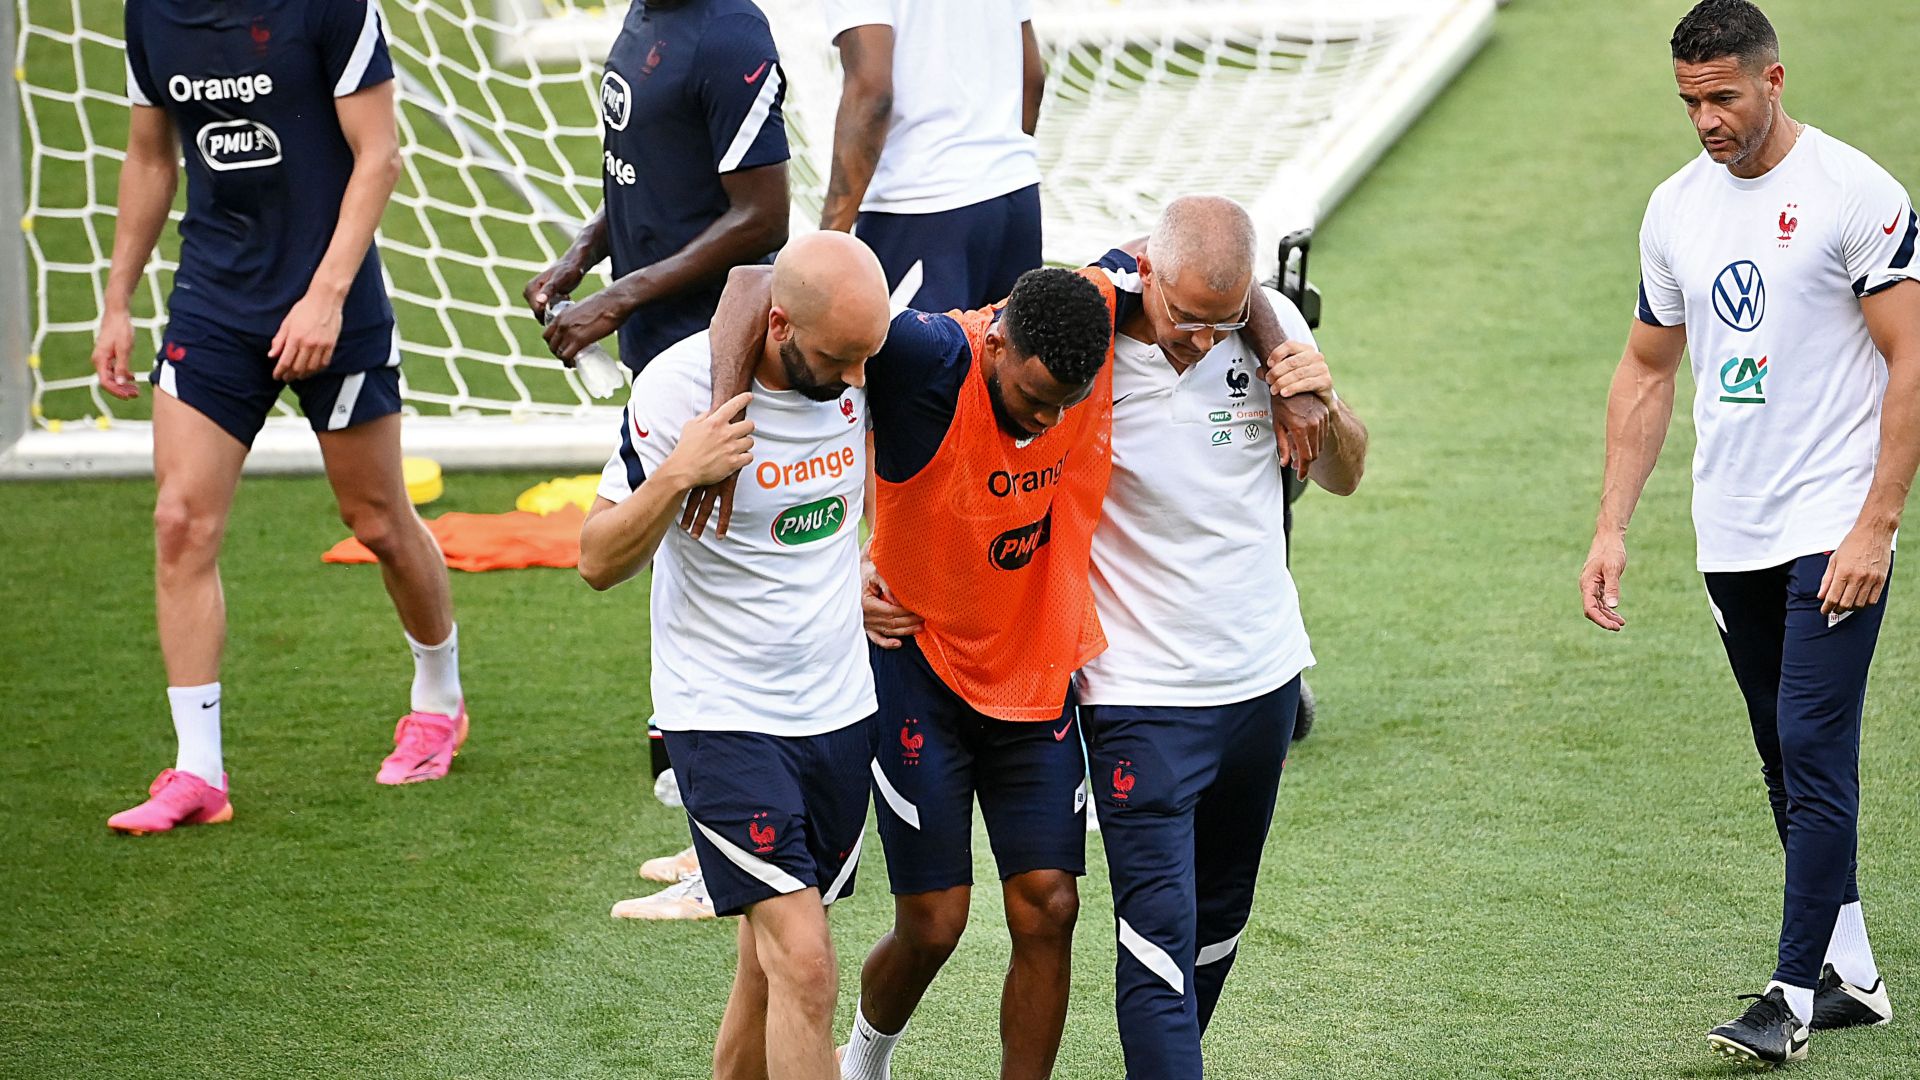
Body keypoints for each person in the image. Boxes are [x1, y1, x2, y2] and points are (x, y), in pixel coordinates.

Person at [1578, 0, 1918, 1065]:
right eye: (1689, 101)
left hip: (1833, 521)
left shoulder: (1856, 194)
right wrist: (1610, 527)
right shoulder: (1675, 208)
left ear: (1775, 80)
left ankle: (1789, 996)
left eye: (1723, 97)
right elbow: (1646, 368)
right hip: (1731, 528)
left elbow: (1913, 356)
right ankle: (1853, 974)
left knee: (1816, 746)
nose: (1707, 121)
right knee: (1783, 756)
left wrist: (1876, 524)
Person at [95, 0, 466, 834]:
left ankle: (439, 698)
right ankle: (198, 771)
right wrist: (118, 298)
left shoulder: (329, 6)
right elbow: (151, 156)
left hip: (332, 298)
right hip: (215, 304)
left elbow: (379, 156)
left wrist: (327, 298)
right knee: (179, 521)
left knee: (376, 519)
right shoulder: (150, 13)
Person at [579, 232, 892, 1079]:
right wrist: (677, 475)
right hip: (721, 716)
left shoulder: (856, 357)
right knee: (807, 964)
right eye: (841, 358)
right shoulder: (680, 387)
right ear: (783, 327)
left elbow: (755, 276)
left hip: (839, 711)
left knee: (767, 967)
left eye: (871, 357)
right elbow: (597, 560)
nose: (859, 381)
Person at [1077, 196, 1367, 1078]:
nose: (1203, 341)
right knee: (1157, 943)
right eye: (1185, 319)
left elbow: (1348, 472)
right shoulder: (1085, 352)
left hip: (1264, 688)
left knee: (1217, 926)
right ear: (1147, 272)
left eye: (1222, 321)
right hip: (1141, 703)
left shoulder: (1259, 338)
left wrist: (1322, 400)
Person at [528, 0, 792, 906]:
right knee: (689, 581)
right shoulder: (643, 19)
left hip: (717, 362)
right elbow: (641, 178)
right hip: (659, 360)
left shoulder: (730, 33)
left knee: (720, 587)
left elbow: (762, 216)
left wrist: (621, 297)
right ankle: (725, 837)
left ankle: (734, 853)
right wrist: (579, 258)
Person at [817, 0, 1045, 310]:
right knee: (1004, 356)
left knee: (902, 358)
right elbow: (1031, 77)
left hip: (922, 210)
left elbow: (871, 92)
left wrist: (828, 243)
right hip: (1016, 202)